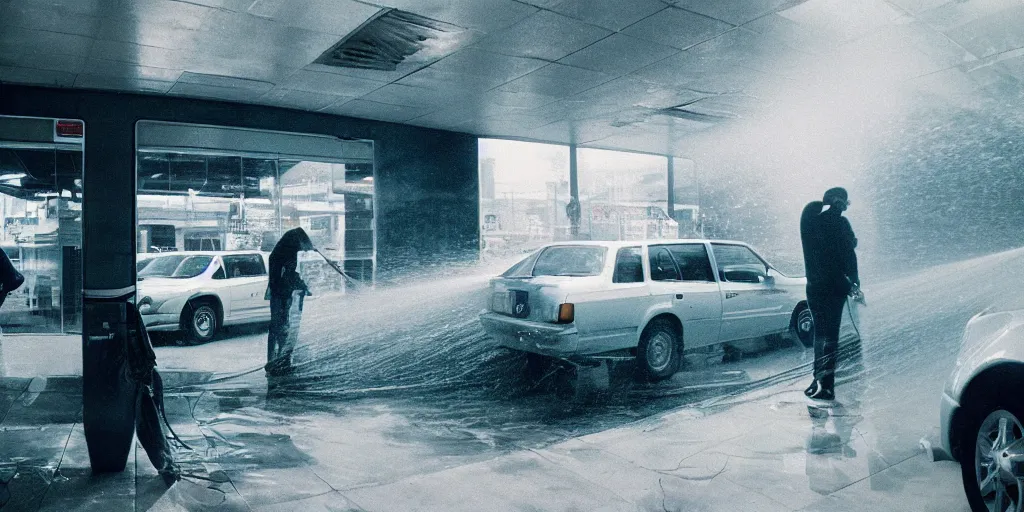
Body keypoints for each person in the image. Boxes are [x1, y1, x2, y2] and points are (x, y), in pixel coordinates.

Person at [802, 187, 860, 401]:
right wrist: (853, 285)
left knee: (820, 335)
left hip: (815, 287)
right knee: (830, 337)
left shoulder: (813, 221)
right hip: (834, 288)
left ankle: (820, 380)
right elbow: (848, 257)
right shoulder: (841, 224)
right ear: (842, 204)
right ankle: (825, 385)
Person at [266, 227, 313, 377]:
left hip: (279, 293)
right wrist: (302, 285)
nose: (303, 249)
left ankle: (276, 361)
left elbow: (289, 274)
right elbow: (290, 275)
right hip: (281, 294)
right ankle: (278, 363)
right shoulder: (288, 253)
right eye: (302, 246)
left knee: (278, 328)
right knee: (281, 327)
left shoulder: (280, 252)